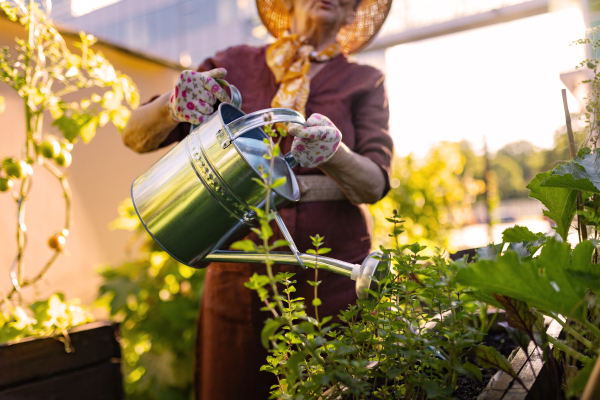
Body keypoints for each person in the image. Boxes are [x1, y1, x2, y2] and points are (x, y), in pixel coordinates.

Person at [122, 0, 394, 398]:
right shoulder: (233, 63)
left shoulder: (365, 81)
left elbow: (373, 184)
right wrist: (173, 107)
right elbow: (134, 135)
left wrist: (334, 154)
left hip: (333, 277)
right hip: (240, 275)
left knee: (335, 386)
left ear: (353, 13)